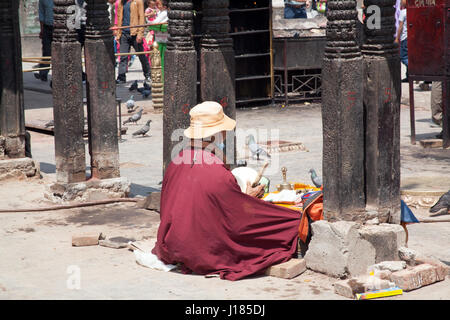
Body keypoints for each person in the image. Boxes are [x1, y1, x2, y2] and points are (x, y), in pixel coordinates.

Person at [152, 101, 301, 281]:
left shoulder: (177, 161)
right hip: (200, 250)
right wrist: (247, 199)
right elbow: (234, 218)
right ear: (217, 134)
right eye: (223, 132)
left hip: (172, 243)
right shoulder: (216, 172)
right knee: (290, 221)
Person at [115, 0, 151, 84]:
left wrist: (140, 33)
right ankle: (121, 77)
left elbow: (141, 18)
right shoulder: (121, 2)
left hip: (135, 32)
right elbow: (119, 17)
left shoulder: (138, 1)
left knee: (141, 55)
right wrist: (118, 34)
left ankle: (148, 74)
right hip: (124, 33)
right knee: (123, 56)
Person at [34, 0, 54, 82]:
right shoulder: (43, 1)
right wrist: (42, 30)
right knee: (46, 51)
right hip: (47, 27)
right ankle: (43, 73)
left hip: (60, 27)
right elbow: (41, 15)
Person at [395, 0, 408, 83]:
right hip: (411, 37)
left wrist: (397, 38)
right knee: (409, 56)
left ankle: (413, 68)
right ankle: (408, 75)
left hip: (405, 38)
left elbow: (400, 27)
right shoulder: (411, 11)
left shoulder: (403, 12)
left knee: (403, 57)